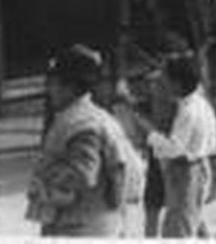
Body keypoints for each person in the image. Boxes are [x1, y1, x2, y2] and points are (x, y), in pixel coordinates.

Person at [25, 44, 142, 238]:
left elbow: (82, 173)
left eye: (53, 83)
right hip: (95, 223)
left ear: (69, 87)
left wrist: (43, 185)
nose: (49, 90)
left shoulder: (81, 124)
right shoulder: (94, 116)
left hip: (81, 226)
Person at [39, 0, 125, 123]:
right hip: (98, 66)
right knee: (97, 124)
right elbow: (117, 34)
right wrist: (119, 76)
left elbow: (47, 28)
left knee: (59, 126)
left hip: (64, 63)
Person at [138, 53, 216, 238]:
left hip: (185, 172)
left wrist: (150, 134)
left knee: (178, 230)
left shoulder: (188, 111)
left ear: (177, 84)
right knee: (189, 221)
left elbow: (174, 149)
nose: (160, 83)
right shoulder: (199, 103)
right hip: (197, 168)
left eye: (164, 79)